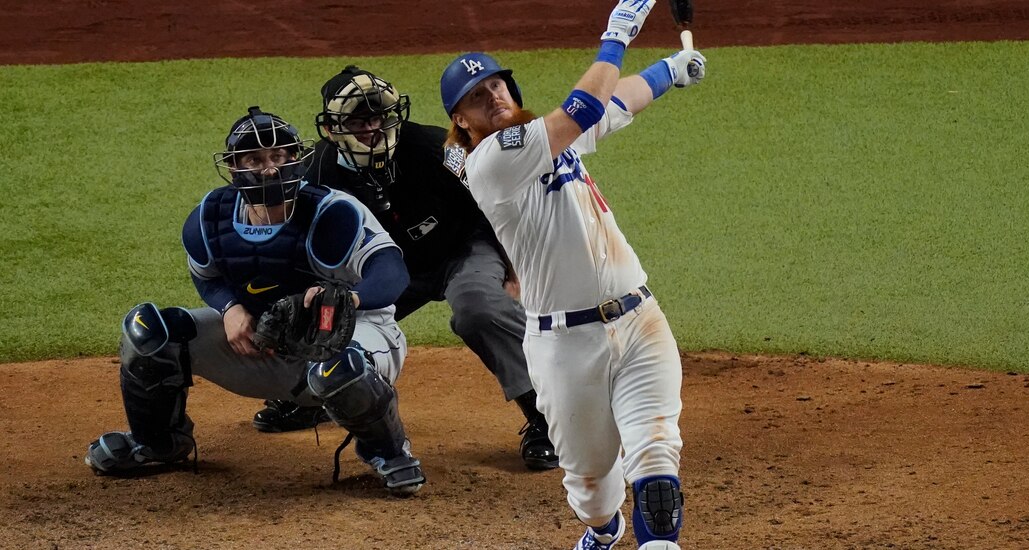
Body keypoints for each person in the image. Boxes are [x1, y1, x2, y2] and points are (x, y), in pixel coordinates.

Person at [438, 0, 707, 547]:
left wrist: (670, 71)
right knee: (592, 491)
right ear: (460, 121)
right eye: (476, 96)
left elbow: (613, 103)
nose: (493, 96)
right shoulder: (490, 162)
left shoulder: (548, 137)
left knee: (656, 457)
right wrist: (617, 34)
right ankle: (604, 532)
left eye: (496, 85)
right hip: (564, 346)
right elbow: (584, 108)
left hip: (638, 320)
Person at [84, 106, 426, 496]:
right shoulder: (210, 219)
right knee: (147, 332)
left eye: (278, 156)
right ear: (234, 167)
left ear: (295, 158)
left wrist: (346, 299)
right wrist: (229, 309)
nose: (269, 169)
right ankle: (156, 443)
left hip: (352, 337)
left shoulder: (332, 213)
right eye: (255, 159)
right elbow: (207, 277)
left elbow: (392, 271)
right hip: (264, 349)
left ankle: (390, 453)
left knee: (340, 368)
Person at [250, 65, 559, 471]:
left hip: (461, 249)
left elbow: (497, 202)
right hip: (388, 270)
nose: (372, 129)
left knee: (479, 306)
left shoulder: (436, 147)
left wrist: (514, 267)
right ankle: (315, 395)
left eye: (378, 117)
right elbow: (301, 247)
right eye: (358, 121)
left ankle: (547, 415)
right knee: (326, 307)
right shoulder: (319, 173)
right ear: (331, 129)